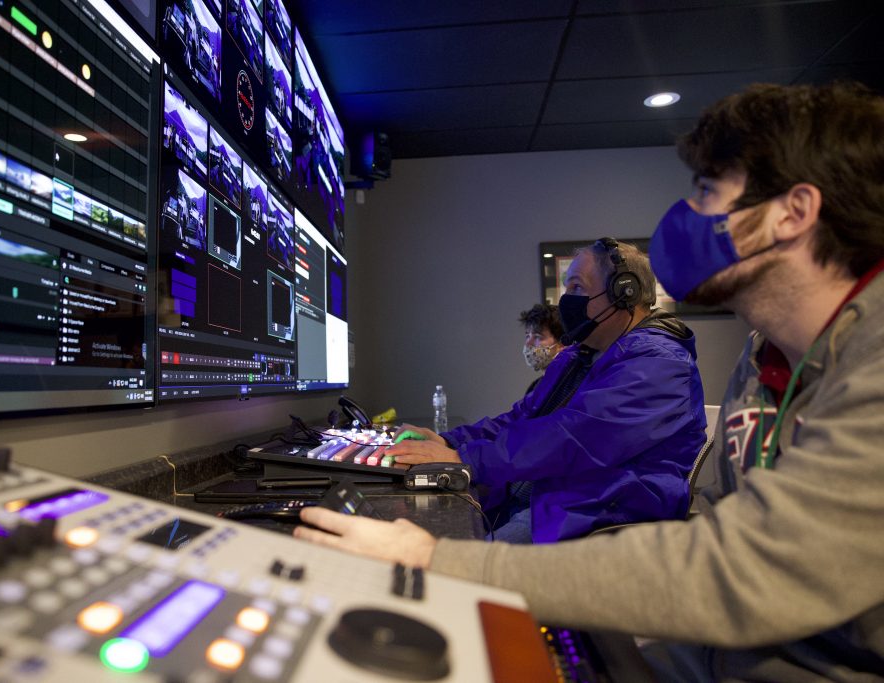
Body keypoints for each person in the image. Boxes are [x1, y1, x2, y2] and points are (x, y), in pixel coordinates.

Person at [295, 82, 884, 680]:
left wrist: (439, 559)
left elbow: (744, 567)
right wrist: (456, 448)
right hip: (718, 646)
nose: (689, 215)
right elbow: (532, 426)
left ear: (794, 212)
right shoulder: (765, 358)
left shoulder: (865, 360)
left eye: (708, 191)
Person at [389, 240, 707, 543]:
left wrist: (464, 458)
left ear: (625, 293)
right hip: (552, 498)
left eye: (578, 287)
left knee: (457, 569)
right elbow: (524, 417)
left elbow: (572, 437)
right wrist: (450, 441)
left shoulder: (660, 366)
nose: (565, 299)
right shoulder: (580, 355)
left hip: (598, 516)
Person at [520, 303, 565, 394]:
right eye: (527, 336)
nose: (528, 343)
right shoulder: (534, 388)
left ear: (562, 344)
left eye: (537, 337)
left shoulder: (571, 385)